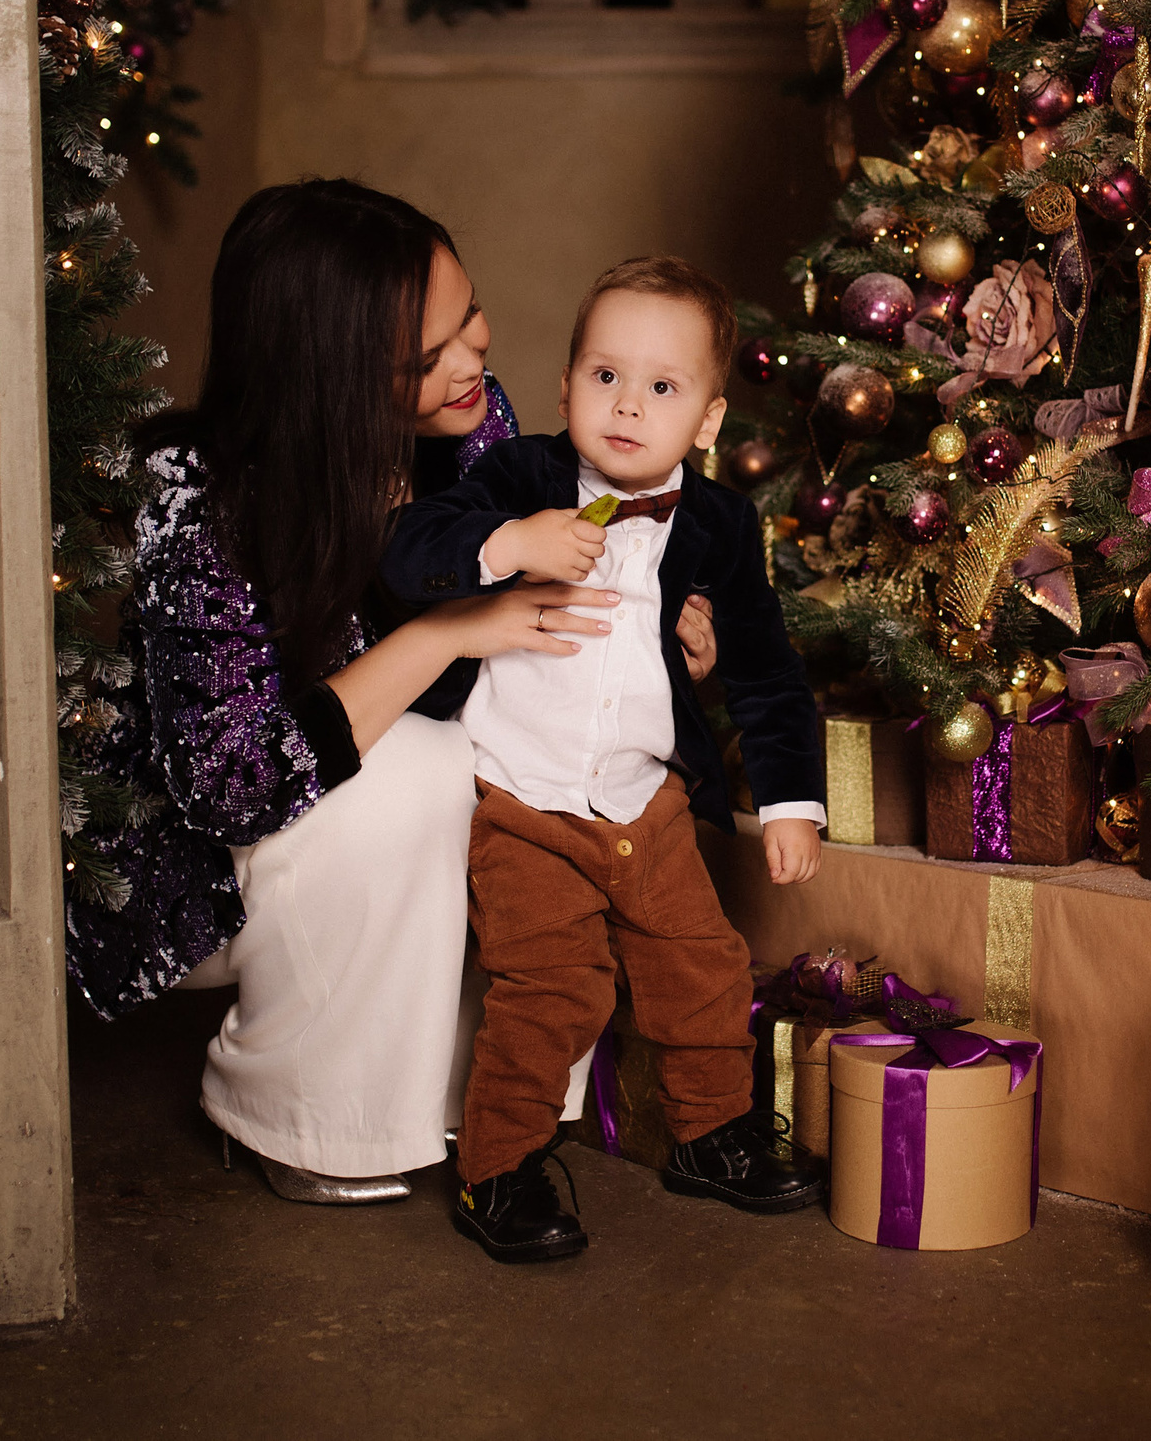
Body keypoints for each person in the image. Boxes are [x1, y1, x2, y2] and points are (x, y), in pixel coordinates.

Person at [65, 181, 717, 1206]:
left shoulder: (474, 428)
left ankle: (490, 1094)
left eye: (469, 318)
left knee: (528, 766)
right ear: (329, 371)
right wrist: (444, 629)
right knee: (424, 768)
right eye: (427, 355)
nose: (472, 359)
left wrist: (659, 635)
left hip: (390, 808)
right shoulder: (203, 496)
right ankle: (310, 1114)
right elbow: (230, 784)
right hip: (214, 865)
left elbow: (554, 616)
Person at [383, 255, 828, 1263]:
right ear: (564, 387)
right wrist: (508, 542)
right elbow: (410, 548)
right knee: (555, 987)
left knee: (704, 967)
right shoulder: (518, 477)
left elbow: (762, 665)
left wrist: (792, 800)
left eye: (662, 388)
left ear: (707, 421)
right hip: (524, 800)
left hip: (646, 798)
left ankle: (710, 1134)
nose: (629, 405)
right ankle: (500, 1165)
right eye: (605, 376)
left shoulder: (717, 522)